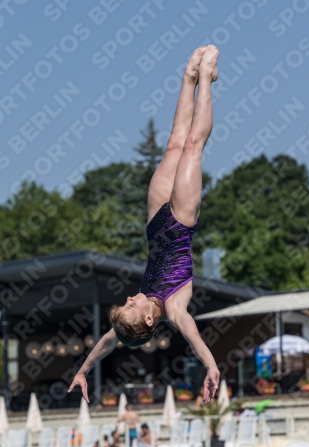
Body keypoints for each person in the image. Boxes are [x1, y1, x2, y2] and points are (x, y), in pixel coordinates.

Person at [68, 45, 220, 405]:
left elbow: (108, 341)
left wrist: (83, 370)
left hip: (155, 224)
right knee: (193, 147)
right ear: (150, 321)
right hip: (180, 221)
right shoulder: (173, 310)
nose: (130, 297)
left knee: (172, 146)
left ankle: (189, 77)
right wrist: (212, 366)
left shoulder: (135, 319)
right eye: (131, 305)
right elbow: (194, 337)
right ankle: (208, 78)